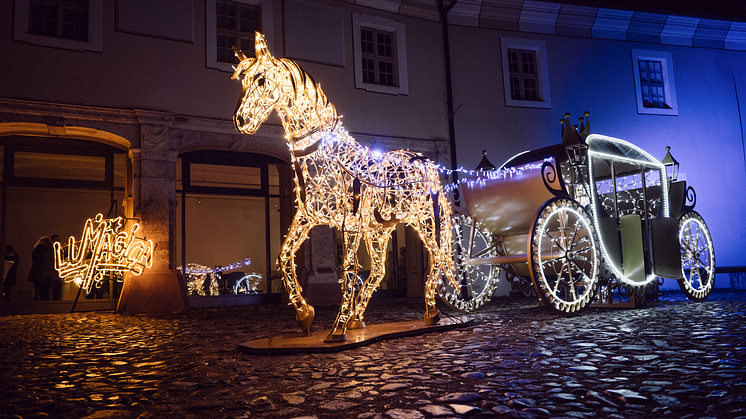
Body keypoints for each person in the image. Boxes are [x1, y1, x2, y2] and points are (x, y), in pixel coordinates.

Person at [27, 236, 55, 301]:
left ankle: (37, 301)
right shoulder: (51, 250)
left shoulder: (37, 249)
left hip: (37, 272)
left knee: (38, 289)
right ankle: (45, 303)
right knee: (46, 289)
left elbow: (34, 259)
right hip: (48, 272)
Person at [50, 235, 63, 300]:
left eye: (59, 240)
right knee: (53, 290)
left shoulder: (60, 250)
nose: (58, 242)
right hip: (52, 274)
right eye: (56, 240)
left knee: (57, 291)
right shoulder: (50, 251)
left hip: (58, 274)